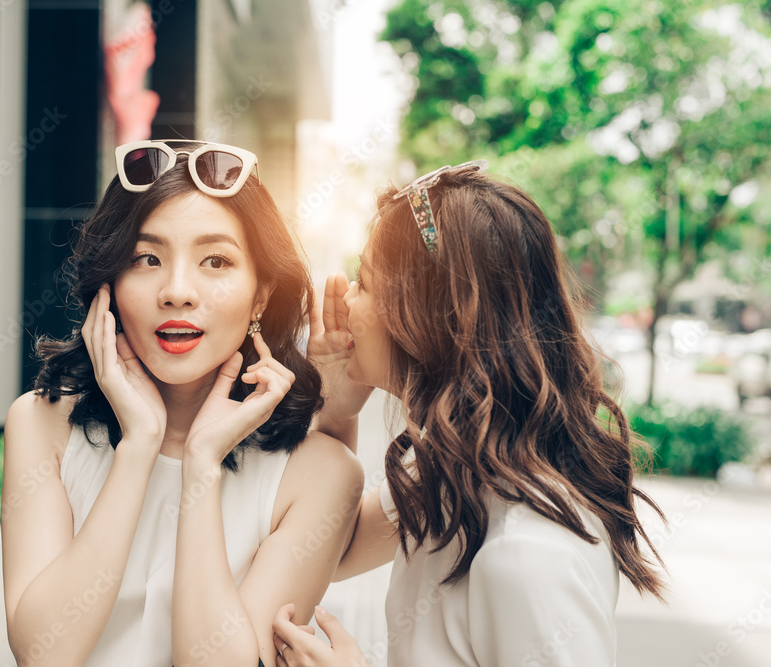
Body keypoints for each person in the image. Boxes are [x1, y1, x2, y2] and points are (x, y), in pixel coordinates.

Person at [271, 160, 667, 666]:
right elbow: (330, 550)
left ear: (425, 316)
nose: (346, 302)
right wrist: (338, 411)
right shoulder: (453, 470)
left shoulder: (528, 553)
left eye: (364, 283)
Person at [1, 139, 363, 667]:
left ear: (261, 294)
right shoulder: (42, 424)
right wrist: (139, 446)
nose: (177, 291)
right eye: (146, 258)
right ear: (109, 285)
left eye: (215, 261)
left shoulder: (320, 473)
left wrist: (201, 467)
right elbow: (43, 655)